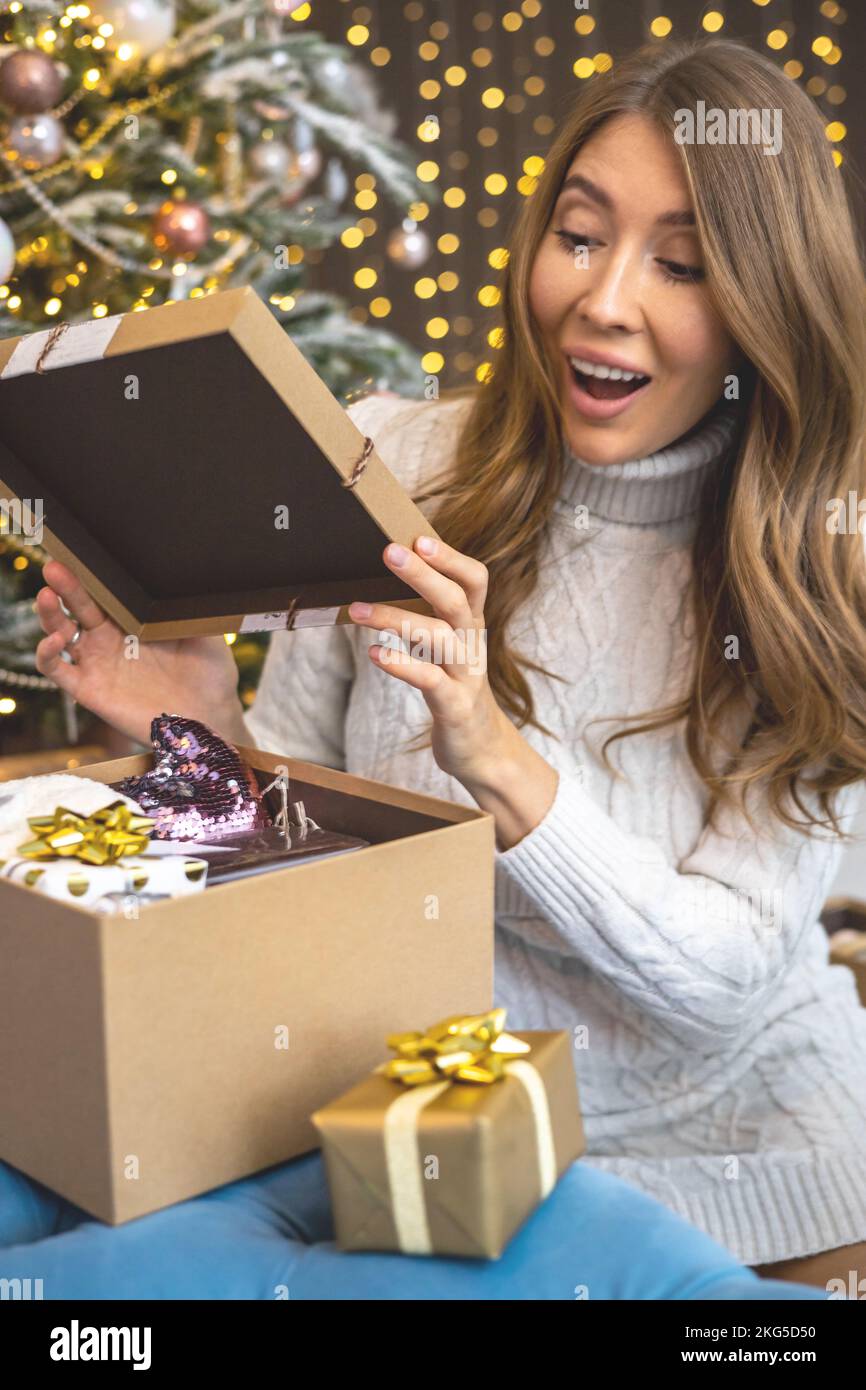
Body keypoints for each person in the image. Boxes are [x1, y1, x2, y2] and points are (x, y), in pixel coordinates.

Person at [33, 38, 866, 1290]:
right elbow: (309, 884)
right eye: (578, 235)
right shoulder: (399, 464)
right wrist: (200, 736)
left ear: (766, 300)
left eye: (679, 263)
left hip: (734, 1164)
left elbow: (722, 982)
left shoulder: (820, 571)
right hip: (408, 1125)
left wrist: (492, 754)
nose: (604, 299)